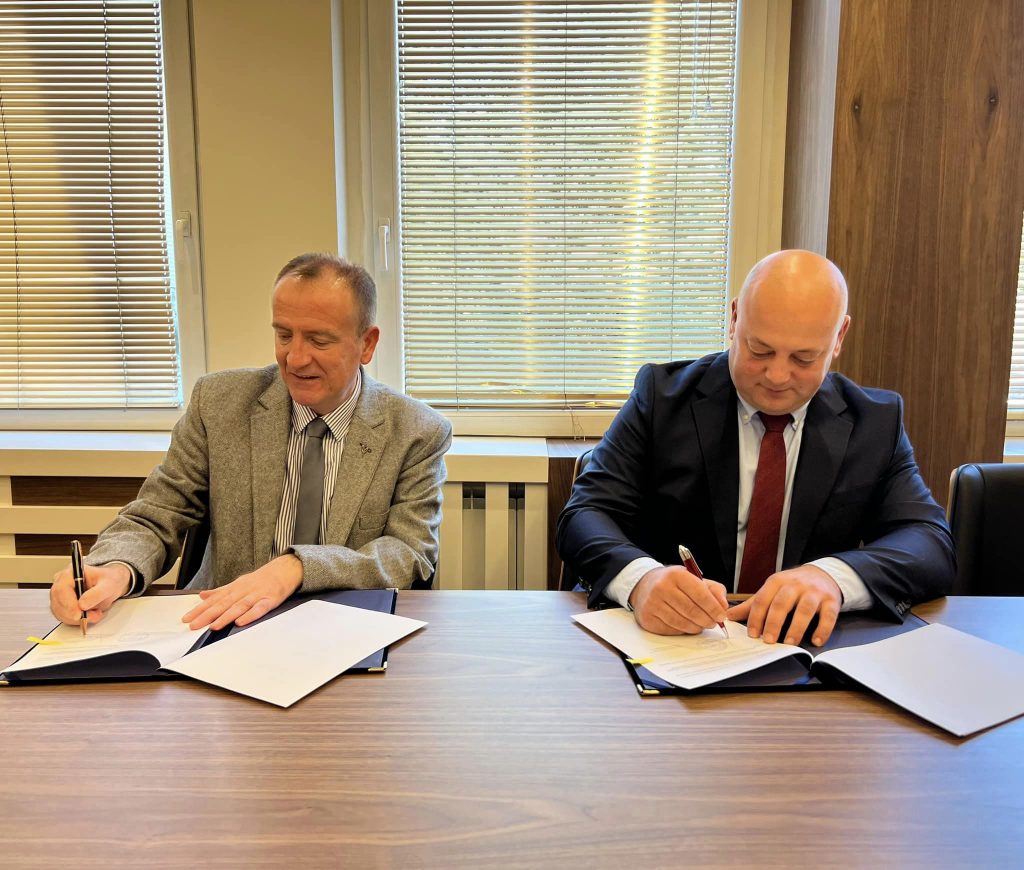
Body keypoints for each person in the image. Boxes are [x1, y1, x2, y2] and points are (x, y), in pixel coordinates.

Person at [557, 249, 954, 648]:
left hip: (802, 647)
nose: (777, 376)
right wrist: (642, 580)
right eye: (760, 350)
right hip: (674, 643)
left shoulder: (875, 422)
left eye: (804, 358)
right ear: (734, 320)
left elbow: (928, 542)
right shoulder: (662, 398)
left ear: (839, 338)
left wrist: (832, 578)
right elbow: (586, 514)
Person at [50, 253, 452, 632]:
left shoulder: (416, 431)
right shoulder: (219, 403)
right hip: (222, 624)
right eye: (284, 335)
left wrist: (298, 567)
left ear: (366, 344)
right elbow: (158, 512)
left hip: (345, 627)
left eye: (318, 340)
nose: (295, 359)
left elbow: (409, 552)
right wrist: (115, 568)